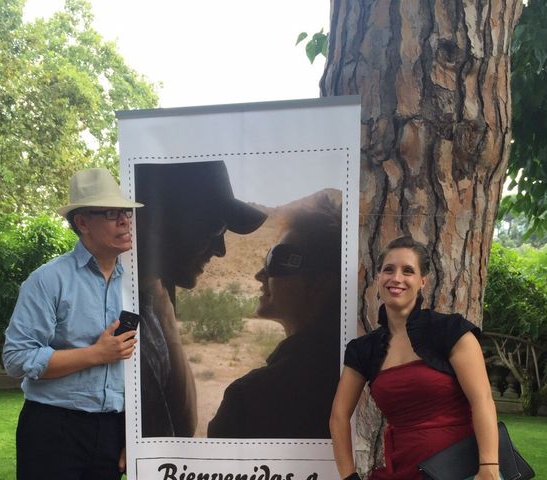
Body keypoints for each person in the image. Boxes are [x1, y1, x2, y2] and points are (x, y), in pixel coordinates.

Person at [3, 168, 141, 480]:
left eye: (125, 212)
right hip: (53, 430)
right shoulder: (48, 280)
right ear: (82, 223)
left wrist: (133, 436)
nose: (124, 221)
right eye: (110, 213)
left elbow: (143, 370)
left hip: (114, 430)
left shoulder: (137, 284)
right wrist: (97, 353)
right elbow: (16, 359)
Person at [330, 236, 499, 480]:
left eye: (407, 270)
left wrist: (489, 469)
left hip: (462, 471)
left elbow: (482, 400)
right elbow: (339, 416)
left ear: (422, 281)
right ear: (378, 278)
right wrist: (348, 477)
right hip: (401, 470)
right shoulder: (363, 349)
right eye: (388, 269)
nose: (396, 278)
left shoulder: (450, 330)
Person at [134, 160, 267, 437]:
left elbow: (182, 427)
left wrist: (163, 306)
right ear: (160, 221)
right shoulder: (112, 309)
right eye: (215, 229)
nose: (220, 251)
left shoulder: (151, 301)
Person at [207, 195, 341, 438]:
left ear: (323, 281)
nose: (260, 275)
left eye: (277, 261)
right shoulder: (350, 373)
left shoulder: (250, 400)